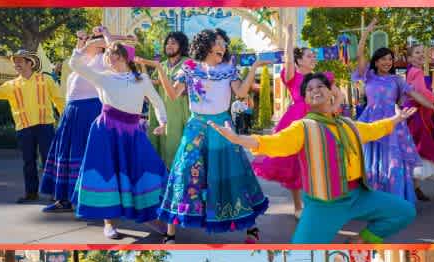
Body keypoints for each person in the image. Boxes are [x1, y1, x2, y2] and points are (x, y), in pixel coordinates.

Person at [209, 72, 418, 243]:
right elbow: (273, 142)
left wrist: (396, 119)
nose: (315, 90)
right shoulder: (302, 127)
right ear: (306, 98)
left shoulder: (347, 124)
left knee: (404, 212)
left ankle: (361, 241)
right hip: (324, 205)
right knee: (301, 248)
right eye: (309, 89)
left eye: (320, 86)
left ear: (330, 92)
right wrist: (238, 139)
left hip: (359, 197)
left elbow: (373, 129)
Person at [150, 29, 270, 243]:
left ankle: (250, 226)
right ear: (206, 45)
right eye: (218, 42)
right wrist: (160, 68)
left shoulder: (229, 68)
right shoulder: (190, 67)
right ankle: (170, 233)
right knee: (183, 173)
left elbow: (241, 93)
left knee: (234, 173)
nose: (223, 47)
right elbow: (173, 94)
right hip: (196, 127)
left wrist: (253, 68)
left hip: (222, 127)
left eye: (224, 43)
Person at [67, 26, 169, 241]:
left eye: (114, 54)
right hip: (107, 131)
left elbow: (157, 101)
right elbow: (74, 64)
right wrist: (85, 46)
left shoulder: (141, 79)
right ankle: (109, 224)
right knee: (109, 174)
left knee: (145, 170)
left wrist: (163, 122)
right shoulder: (102, 77)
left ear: (125, 57)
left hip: (133, 132)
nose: (110, 58)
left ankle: (149, 215)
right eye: (108, 55)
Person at [353, 19, 434, 204]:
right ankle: (375, 201)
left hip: (393, 123)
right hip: (371, 122)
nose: (387, 62)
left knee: (393, 161)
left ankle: (395, 200)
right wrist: (366, 32)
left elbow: (415, 94)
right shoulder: (368, 76)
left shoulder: (397, 80)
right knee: (372, 161)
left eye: (390, 59)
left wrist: (433, 107)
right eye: (383, 59)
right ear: (376, 62)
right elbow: (359, 54)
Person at [252, 24, 332, 218]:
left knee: (318, 163)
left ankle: (318, 205)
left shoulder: (321, 78)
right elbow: (288, 59)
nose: (313, 58)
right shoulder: (292, 76)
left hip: (319, 120)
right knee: (295, 166)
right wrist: (289, 37)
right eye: (309, 56)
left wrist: (332, 110)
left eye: (314, 56)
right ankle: (298, 207)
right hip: (296, 121)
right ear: (299, 61)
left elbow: (335, 96)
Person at [0, 51, 65, 203]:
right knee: (28, 162)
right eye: (14, 62)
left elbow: (59, 100)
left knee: (49, 161)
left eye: (19, 61)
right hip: (24, 128)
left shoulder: (45, 79)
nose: (16, 64)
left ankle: (55, 193)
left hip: (45, 126)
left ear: (30, 63)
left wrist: (65, 119)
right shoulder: (11, 85)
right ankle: (31, 193)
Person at [39, 32, 107, 213]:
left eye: (93, 41)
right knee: (66, 154)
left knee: (85, 155)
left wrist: (103, 35)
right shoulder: (80, 61)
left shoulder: (104, 59)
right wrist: (82, 42)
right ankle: (64, 199)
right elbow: (77, 53)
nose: (87, 43)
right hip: (71, 111)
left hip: (90, 111)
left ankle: (91, 200)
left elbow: (115, 45)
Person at [140, 32, 191, 169]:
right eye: (167, 43)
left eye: (173, 43)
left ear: (182, 45)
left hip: (181, 113)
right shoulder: (162, 65)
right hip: (163, 114)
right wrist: (141, 67)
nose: (169, 46)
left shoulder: (188, 64)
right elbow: (151, 88)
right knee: (162, 150)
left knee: (181, 151)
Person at [405, 44, 434, 198]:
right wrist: (433, 100)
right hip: (422, 113)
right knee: (432, 145)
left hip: (417, 111)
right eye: (417, 52)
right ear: (410, 58)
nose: (421, 55)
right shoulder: (416, 71)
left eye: (423, 52)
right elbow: (420, 92)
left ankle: (420, 187)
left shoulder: (412, 71)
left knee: (419, 147)